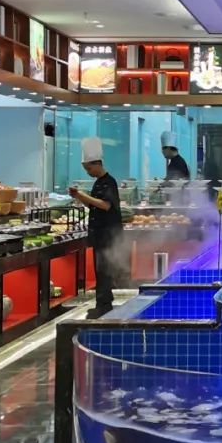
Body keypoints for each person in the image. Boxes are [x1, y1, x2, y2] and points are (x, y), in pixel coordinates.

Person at [69, 137, 124, 319]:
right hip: (100, 234)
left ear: (98, 164)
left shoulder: (109, 182)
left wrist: (82, 194)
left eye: (89, 169)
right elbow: (94, 206)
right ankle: (103, 303)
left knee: (104, 270)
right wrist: (79, 197)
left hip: (108, 235)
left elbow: (105, 205)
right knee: (100, 270)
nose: (88, 172)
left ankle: (104, 305)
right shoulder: (98, 182)